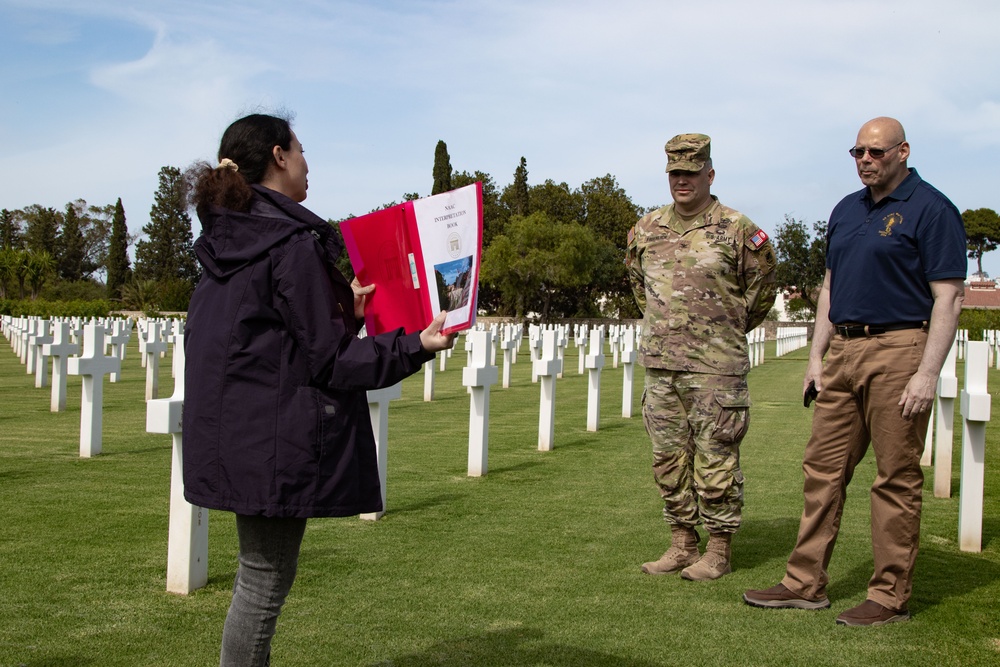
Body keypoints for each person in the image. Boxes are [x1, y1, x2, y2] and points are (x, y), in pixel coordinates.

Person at [182, 113, 456, 666]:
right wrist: (416, 345)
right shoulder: (289, 243)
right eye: (301, 149)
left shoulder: (228, 241)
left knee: (256, 577)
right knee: (262, 583)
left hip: (238, 434)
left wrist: (344, 317)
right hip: (274, 442)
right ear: (279, 157)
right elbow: (330, 361)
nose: (308, 163)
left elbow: (277, 344)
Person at [743, 117, 966, 626]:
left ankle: (889, 597)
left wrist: (926, 374)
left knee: (895, 477)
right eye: (857, 152)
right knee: (821, 469)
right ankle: (804, 583)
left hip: (899, 348)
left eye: (876, 152)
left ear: (903, 151)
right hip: (843, 349)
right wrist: (816, 359)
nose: (866, 160)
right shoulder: (846, 210)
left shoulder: (932, 209)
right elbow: (829, 288)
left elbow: (948, 298)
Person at [625, 134, 777, 581]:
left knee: (716, 460)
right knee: (668, 459)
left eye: (692, 173)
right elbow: (640, 288)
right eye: (676, 173)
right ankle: (681, 543)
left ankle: (719, 550)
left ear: (710, 174)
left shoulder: (737, 229)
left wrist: (722, 329)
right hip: (661, 366)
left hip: (716, 369)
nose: (683, 181)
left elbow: (762, 289)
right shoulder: (646, 230)